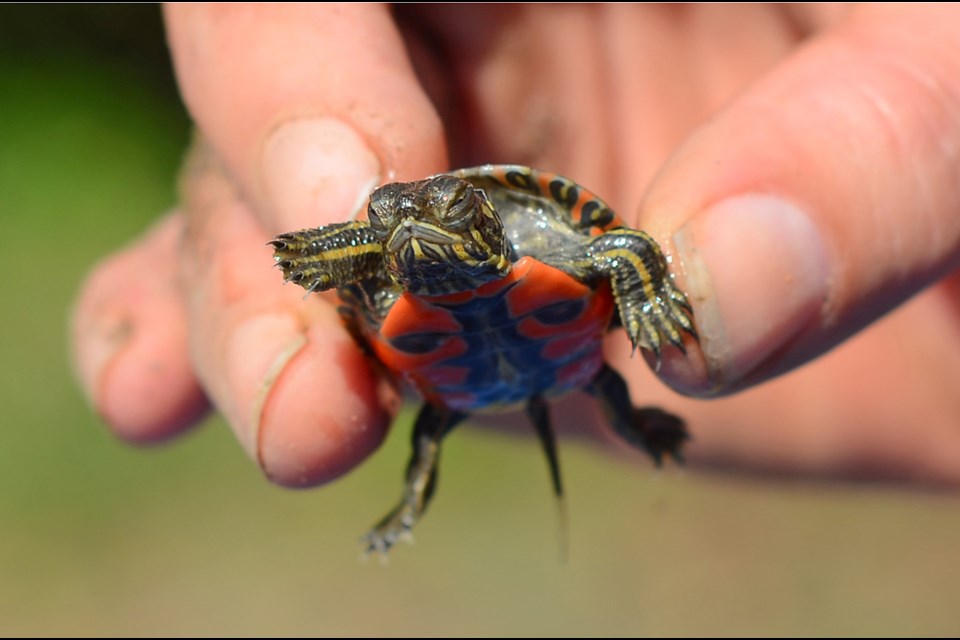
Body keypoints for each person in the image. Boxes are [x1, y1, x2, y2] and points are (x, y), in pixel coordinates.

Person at [71, 5, 960, 487]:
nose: (417, 220)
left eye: (444, 207)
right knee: (410, 418)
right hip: (477, 379)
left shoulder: (540, 236)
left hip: (547, 361)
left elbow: (623, 248)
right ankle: (420, 490)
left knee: (612, 380)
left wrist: (646, 284)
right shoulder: (396, 257)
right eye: (397, 218)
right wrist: (341, 247)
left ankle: (635, 420)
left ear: (480, 217)